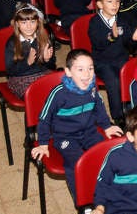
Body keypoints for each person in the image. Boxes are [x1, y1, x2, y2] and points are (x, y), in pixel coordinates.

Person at [31, 50, 123, 197]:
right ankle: (83, 203)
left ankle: (108, 194)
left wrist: (106, 126)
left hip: (89, 132)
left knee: (105, 156)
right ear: (68, 72)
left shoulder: (92, 87)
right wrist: (43, 143)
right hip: (64, 137)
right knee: (78, 164)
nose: (87, 74)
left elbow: (99, 106)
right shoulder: (59, 93)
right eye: (80, 69)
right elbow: (44, 119)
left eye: (90, 68)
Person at [89, 0, 137, 123]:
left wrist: (134, 39)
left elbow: (128, 44)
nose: (115, 5)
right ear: (99, 4)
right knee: (113, 81)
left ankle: (136, 108)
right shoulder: (94, 22)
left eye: (117, 1)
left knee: (135, 75)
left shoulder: (122, 20)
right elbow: (98, 43)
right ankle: (118, 116)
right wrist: (112, 36)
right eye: (110, 1)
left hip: (121, 58)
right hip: (102, 62)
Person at [4, 4, 55, 98]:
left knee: (59, 92)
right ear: (17, 24)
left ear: (38, 23)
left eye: (32, 22)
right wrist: (27, 62)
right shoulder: (12, 43)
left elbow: (52, 66)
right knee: (38, 97)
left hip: (42, 74)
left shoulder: (43, 39)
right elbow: (10, 71)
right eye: (24, 22)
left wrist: (47, 60)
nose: (29, 26)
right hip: (20, 79)